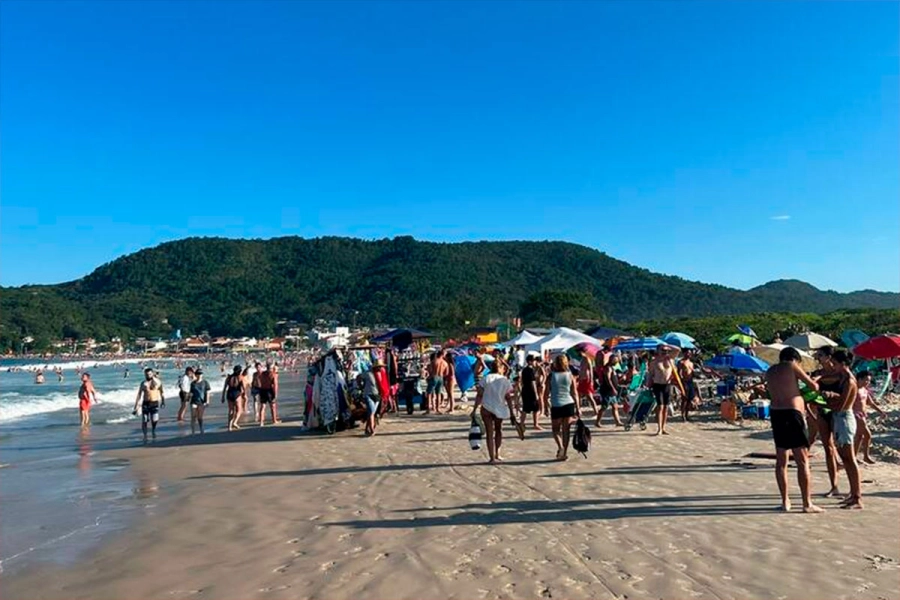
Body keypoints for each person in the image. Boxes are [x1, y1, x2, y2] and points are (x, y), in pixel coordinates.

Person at [765, 347, 823, 513]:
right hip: (792, 413)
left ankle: (785, 501)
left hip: (776, 413)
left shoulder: (770, 371)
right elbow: (813, 387)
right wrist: (816, 379)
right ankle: (807, 503)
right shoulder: (791, 366)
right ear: (795, 359)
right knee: (802, 460)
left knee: (781, 460)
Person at [821, 350, 863, 509]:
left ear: (842, 364)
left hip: (844, 418)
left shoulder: (849, 381)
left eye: (835, 363)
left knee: (850, 459)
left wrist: (826, 401)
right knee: (845, 458)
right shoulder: (844, 379)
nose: (833, 366)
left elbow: (843, 405)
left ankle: (857, 497)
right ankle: (853, 495)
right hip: (841, 418)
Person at [471, 360, 516, 464]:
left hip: (486, 407)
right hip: (499, 409)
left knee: (489, 433)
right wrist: (512, 413)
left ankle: (492, 458)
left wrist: (474, 409)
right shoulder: (504, 380)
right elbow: (508, 397)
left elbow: (479, 395)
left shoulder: (485, 378)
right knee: (499, 431)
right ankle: (498, 454)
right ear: (501, 368)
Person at [811, 346, 841, 498]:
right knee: (828, 449)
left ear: (829, 357)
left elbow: (847, 394)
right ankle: (834, 486)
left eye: (820, 355)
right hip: (822, 412)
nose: (818, 358)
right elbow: (810, 393)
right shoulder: (817, 374)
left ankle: (854, 490)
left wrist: (832, 394)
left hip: (838, 412)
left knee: (842, 449)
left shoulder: (840, 373)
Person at [544, 354, 580, 461]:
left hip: (556, 405)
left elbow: (545, 394)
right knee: (566, 431)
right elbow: (575, 393)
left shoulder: (551, 376)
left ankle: (560, 448)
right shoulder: (570, 375)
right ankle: (564, 452)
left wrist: (546, 406)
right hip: (569, 404)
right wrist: (578, 408)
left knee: (555, 430)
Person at [854, 371, 886, 464]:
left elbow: (870, 403)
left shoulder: (864, 389)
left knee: (860, 437)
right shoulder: (854, 389)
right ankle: (865, 456)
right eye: (866, 380)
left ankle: (856, 456)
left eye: (869, 381)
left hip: (863, 415)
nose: (867, 382)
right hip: (856, 415)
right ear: (859, 379)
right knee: (867, 435)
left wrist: (881, 412)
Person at [648, 345, 677, 435]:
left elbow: (677, 349)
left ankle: (664, 427)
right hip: (657, 385)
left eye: (667, 351)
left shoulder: (670, 360)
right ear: (658, 351)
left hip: (667, 386)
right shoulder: (654, 362)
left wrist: (667, 345)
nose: (665, 352)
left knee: (666, 407)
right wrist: (648, 384)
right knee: (660, 406)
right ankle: (659, 428)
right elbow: (650, 375)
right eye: (663, 350)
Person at [133, 368, 165, 442]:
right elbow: (139, 394)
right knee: (145, 420)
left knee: (155, 419)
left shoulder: (157, 382)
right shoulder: (143, 383)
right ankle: (145, 435)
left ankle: (153, 429)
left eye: (150, 374)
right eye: (146, 374)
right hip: (146, 403)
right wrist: (136, 405)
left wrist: (163, 401)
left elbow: (161, 392)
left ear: (152, 374)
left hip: (154, 403)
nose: (148, 375)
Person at [597, 354, 622, 426]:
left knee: (615, 406)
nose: (617, 362)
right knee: (604, 407)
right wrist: (613, 388)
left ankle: (618, 422)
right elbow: (608, 380)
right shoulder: (608, 368)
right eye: (616, 360)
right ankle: (598, 421)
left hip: (611, 391)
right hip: (607, 390)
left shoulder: (612, 368)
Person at [520, 354, 542, 430]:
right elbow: (533, 382)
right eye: (534, 361)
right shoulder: (530, 370)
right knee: (536, 408)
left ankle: (522, 423)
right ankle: (536, 424)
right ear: (530, 361)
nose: (535, 362)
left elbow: (522, 381)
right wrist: (536, 394)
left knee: (525, 408)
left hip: (525, 390)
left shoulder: (524, 370)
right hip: (531, 391)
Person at [576, 349, 599, 419]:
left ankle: (596, 412)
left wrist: (591, 380)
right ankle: (578, 411)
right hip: (582, 379)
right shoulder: (582, 360)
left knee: (589, 396)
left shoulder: (587, 359)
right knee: (578, 395)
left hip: (587, 379)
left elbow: (591, 370)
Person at [222, 366, 245, 431]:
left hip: (229, 394)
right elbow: (243, 388)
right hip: (237, 394)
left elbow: (224, 388)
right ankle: (235, 422)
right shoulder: (240, 377)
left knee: (231, 411)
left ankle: (229, 427)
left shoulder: (229, 377)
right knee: (239, 410)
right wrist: (244, 395)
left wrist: (223, 397)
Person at [362, 363, 383, 436]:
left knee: (372, 413)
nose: (380, 368)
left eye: (381, 367)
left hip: (377, 396)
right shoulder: (368, 373)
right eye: (379, 367)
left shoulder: (381, 374)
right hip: (368, 394)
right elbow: (358, 377)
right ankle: (371, 429)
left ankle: (366, 429)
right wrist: (361, 386)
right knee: (371, 412)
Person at [257, 361, 279, 426]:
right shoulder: (273, 374)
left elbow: (259, 381)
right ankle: (274, 420)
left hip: (262, 390)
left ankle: (261, 422)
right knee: (273, 406)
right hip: (269, 390)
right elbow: (275, 385)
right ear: (271, 367)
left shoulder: (262, 374)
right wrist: (275, 394)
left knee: (263, 406)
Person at [189, 368, 211, 434]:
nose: (199, 375)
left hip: (201, 402)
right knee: (193, 416)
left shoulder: (205, 382)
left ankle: (201, 428)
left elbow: (208, 392)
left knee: (200, 417)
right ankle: (193, 431)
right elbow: (191, 393)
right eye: (198, 374)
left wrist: (207, 401)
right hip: (194, 401)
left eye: (201, 374)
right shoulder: (193, 384)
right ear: (196, 375)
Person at [678, 352, 698, 422]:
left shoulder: (691, 363)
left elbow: (692, 373)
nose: (688, 355)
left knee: (690, 399)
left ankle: (687, 414)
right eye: (687, 353)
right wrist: (682, 382)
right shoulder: (681, 362)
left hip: (690, 382)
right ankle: (683, 415)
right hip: (685, 382)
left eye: (689, 353)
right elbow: (679, 373)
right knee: (684, 399)